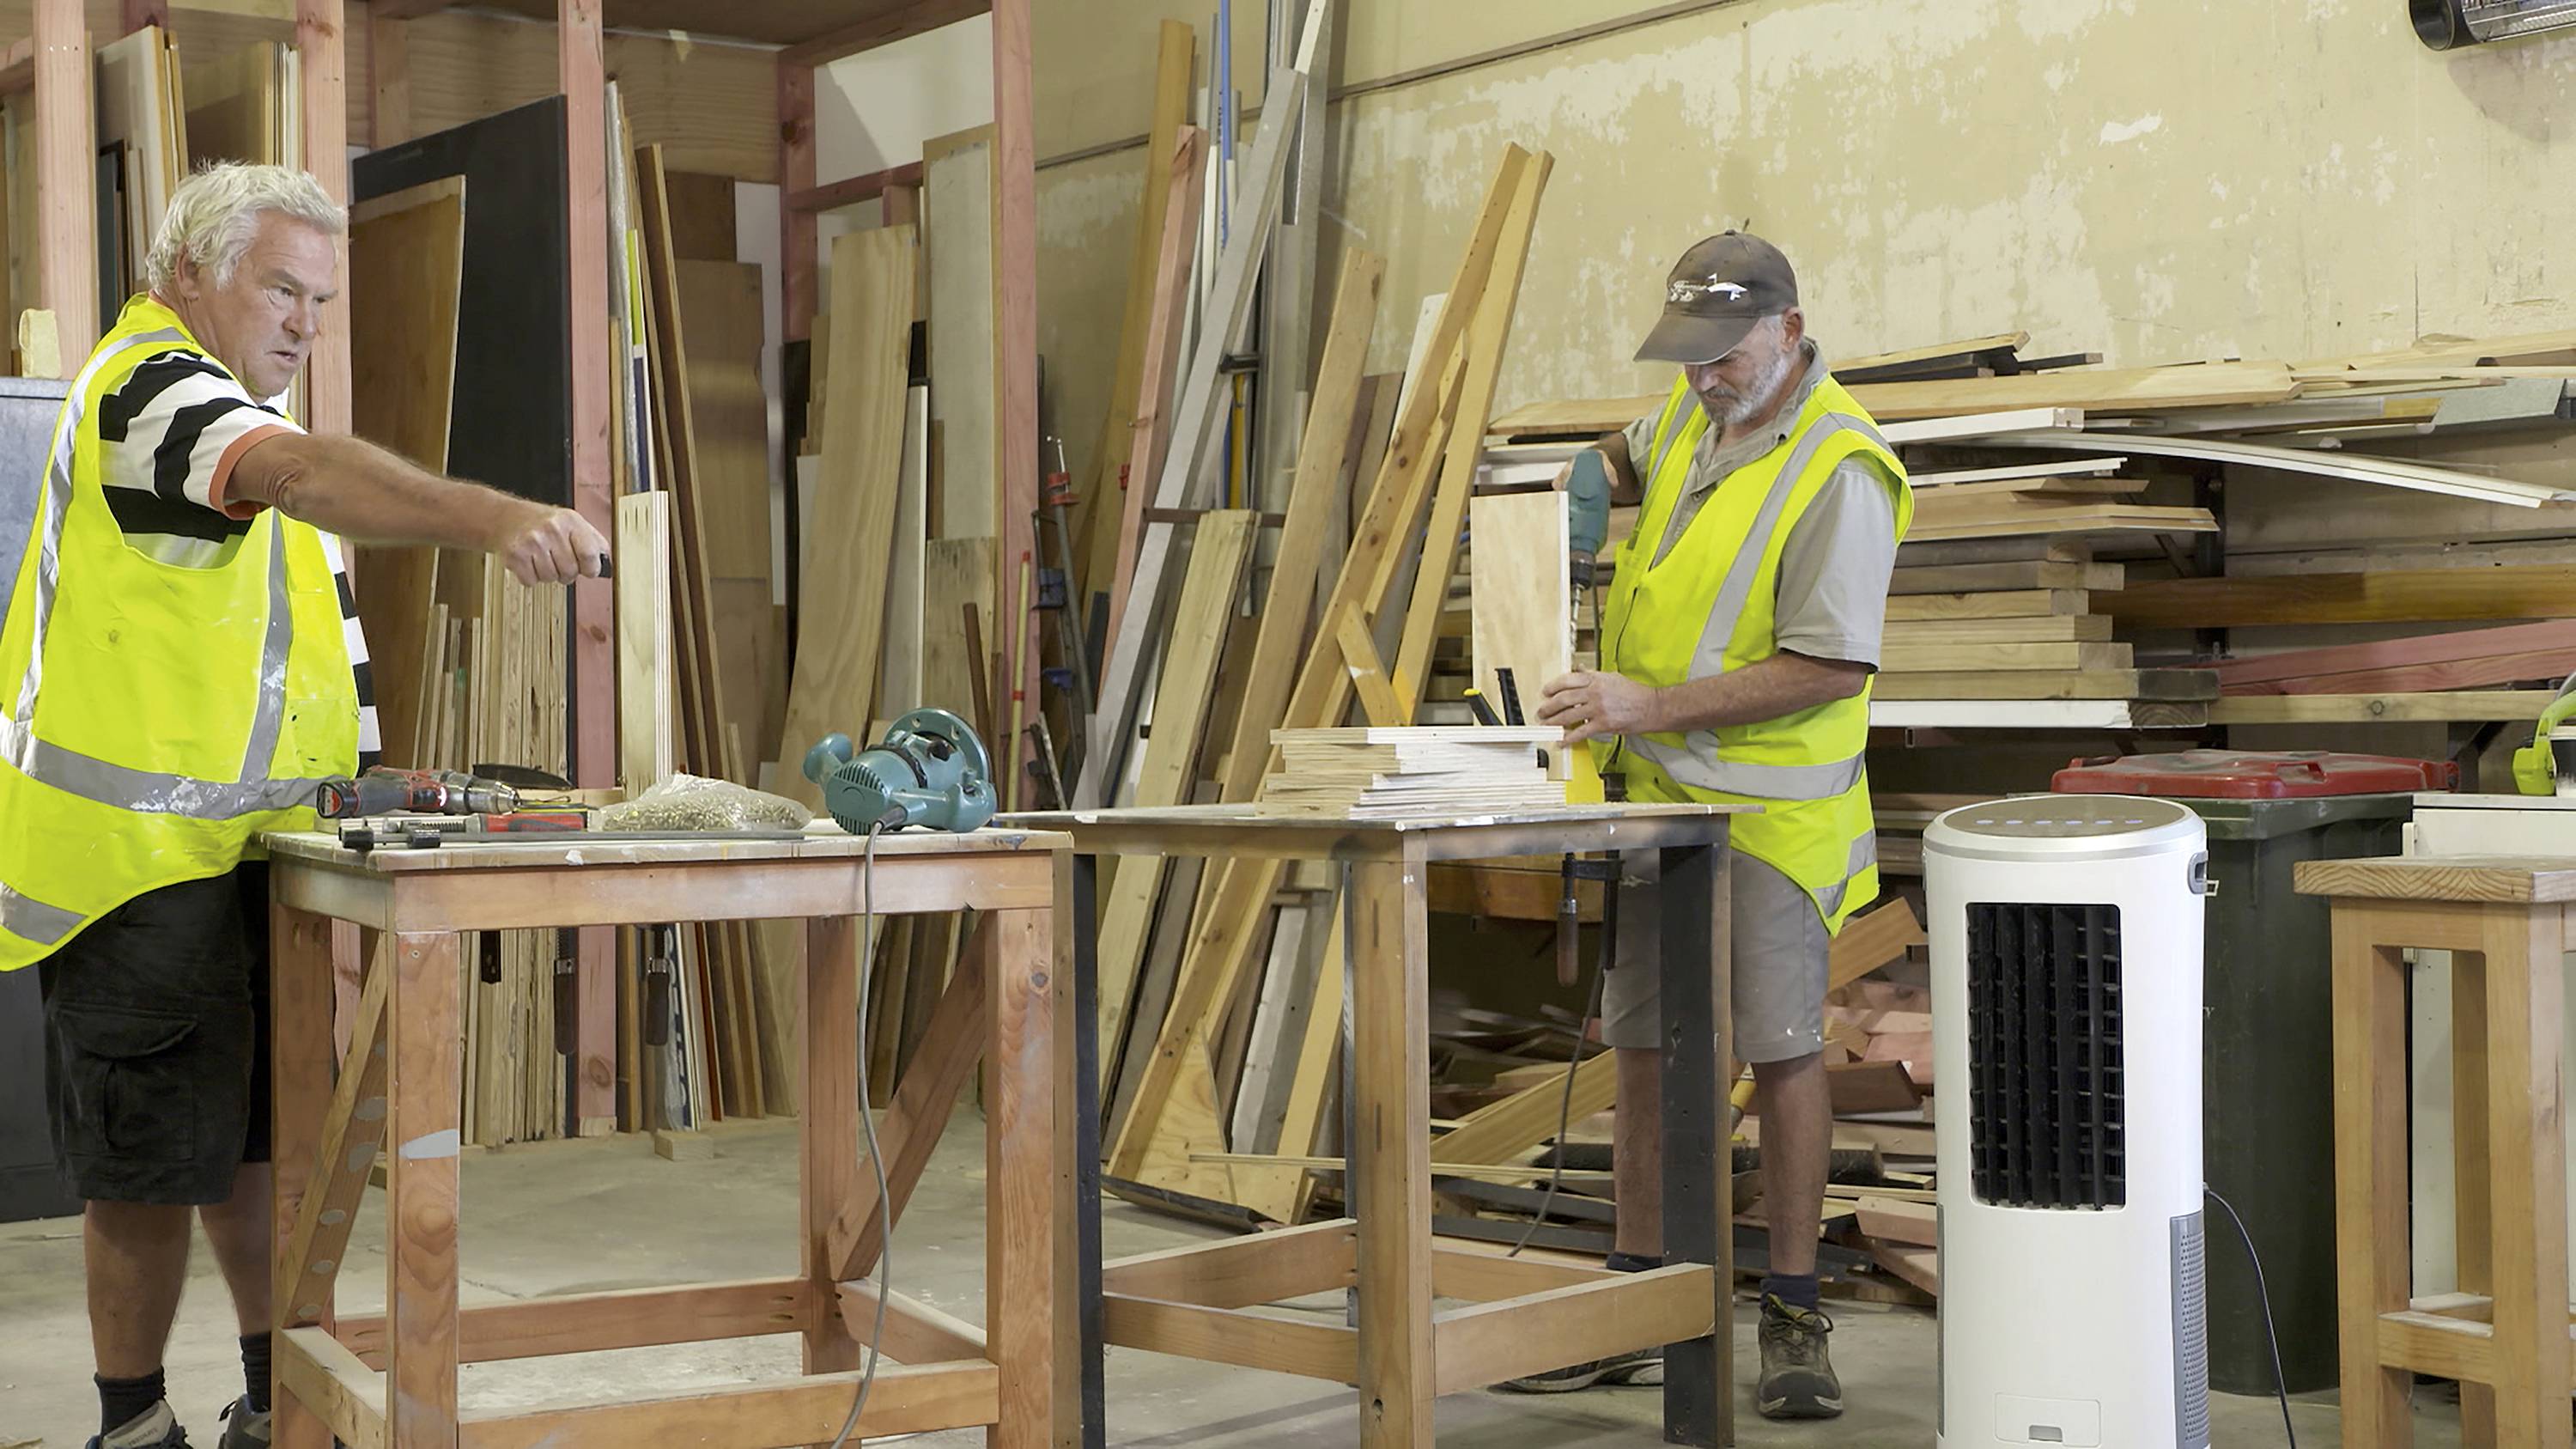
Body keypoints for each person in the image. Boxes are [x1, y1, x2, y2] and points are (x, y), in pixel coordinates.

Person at [0, 163, 609, 1449]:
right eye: (281, 287)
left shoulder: (225, 401)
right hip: (135, 866)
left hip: (248, 860)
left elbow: (278, 664)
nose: (303, 324)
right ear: (189, 274)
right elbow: (293, 473)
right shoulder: (151, 389)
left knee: (265, 1152)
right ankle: (131, 1425)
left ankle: (278, 1404)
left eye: (320, 301)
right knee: (149, 1172)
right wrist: (489, 515)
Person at [1520, 232, 1911, 1419]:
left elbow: (1831, 668)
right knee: (1640, 1046)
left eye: (1727, 356)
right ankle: (1636, 1294)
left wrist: (1649, 706)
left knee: (1784, 1053)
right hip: (1659, 807)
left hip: (1771, 819)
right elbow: (1621, 453)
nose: (1703, 379)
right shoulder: (1693, 414)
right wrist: (1579, 486)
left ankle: (1792, 1307)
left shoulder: (1840, 468)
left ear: (1789, 333)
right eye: (1689, 357)